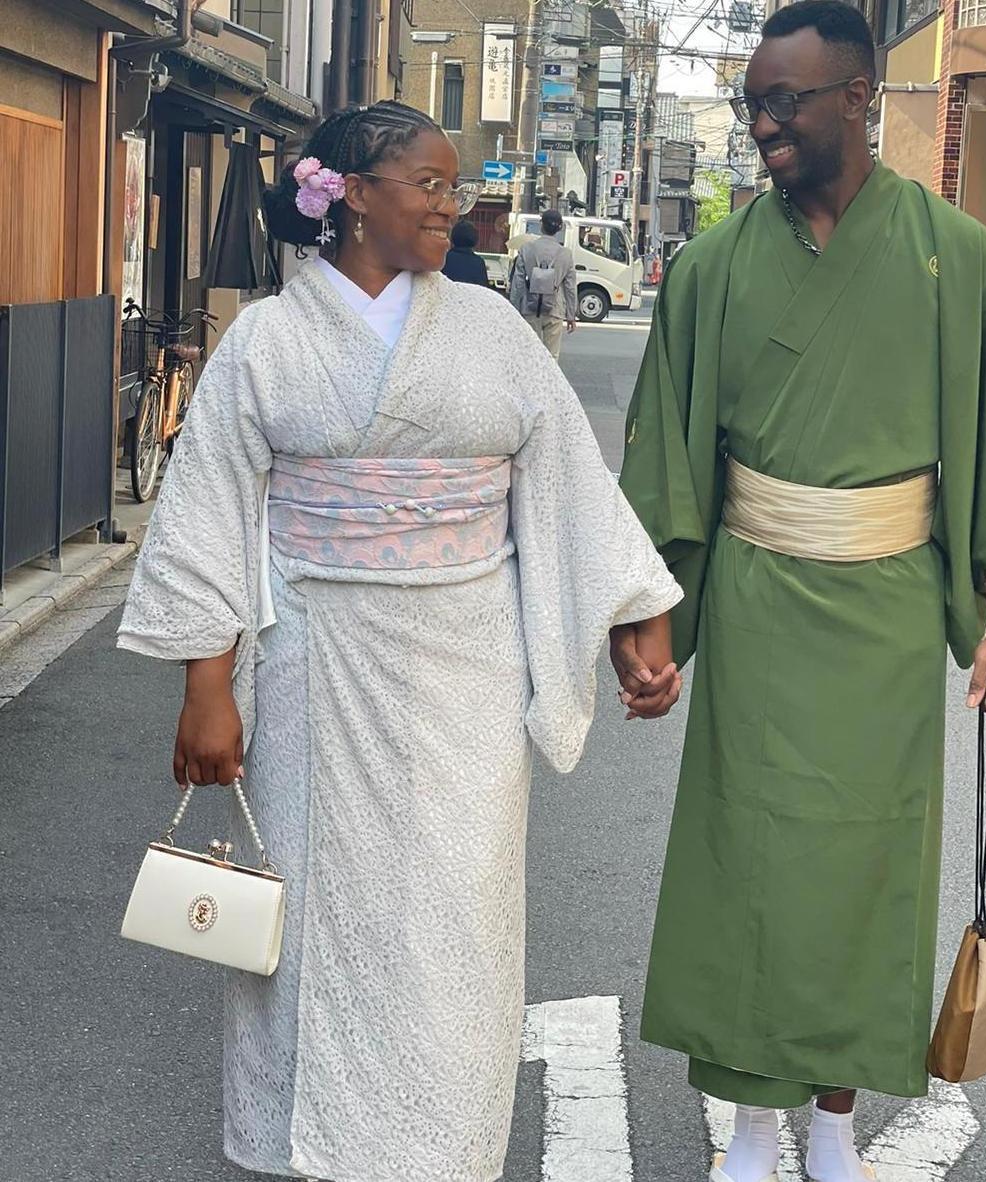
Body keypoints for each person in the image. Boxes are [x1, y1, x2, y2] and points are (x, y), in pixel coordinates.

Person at [117, 100, 683, 1182]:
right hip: (310, 667)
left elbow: (563, 482)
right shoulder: (271, 343)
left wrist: (629, 629)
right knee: (310, 923)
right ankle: (308, 1146)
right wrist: (207, 684)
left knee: (454, 925)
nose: (448, 203)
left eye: (450, 185)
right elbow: (212, 509)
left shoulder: (487, 331)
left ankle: (441, 1150)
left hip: (465, 672)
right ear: (350, 195)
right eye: (426, 183)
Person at [610, 4, 986, 1181]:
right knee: (746, 864)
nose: (764, 123)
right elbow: (665, 461)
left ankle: (831, 1118)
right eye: (755, 100)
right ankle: (753, 1123)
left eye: (788, 101)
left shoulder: (958, 261)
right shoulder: (711, 269)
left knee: (868, 874)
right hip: (757, 600)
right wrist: (651, 631)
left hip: (889, 614)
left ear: (860, 98)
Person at [509, 207, 578, 358]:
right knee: (552, 356)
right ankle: (550, 381)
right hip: (555, 309)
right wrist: (571, 315)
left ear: (541, 225)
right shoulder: (565, 254)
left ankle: (530, 380)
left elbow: (518, 282)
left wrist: (514, 308)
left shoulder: (527, 249)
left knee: (529, 354)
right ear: (560, 228)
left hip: (529, 306)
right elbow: (570, 287)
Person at [441, 216, 491, 286]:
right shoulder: (479, 262)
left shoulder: (444, 259)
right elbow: (483, 289)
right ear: (474, 239)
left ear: (453, 237)